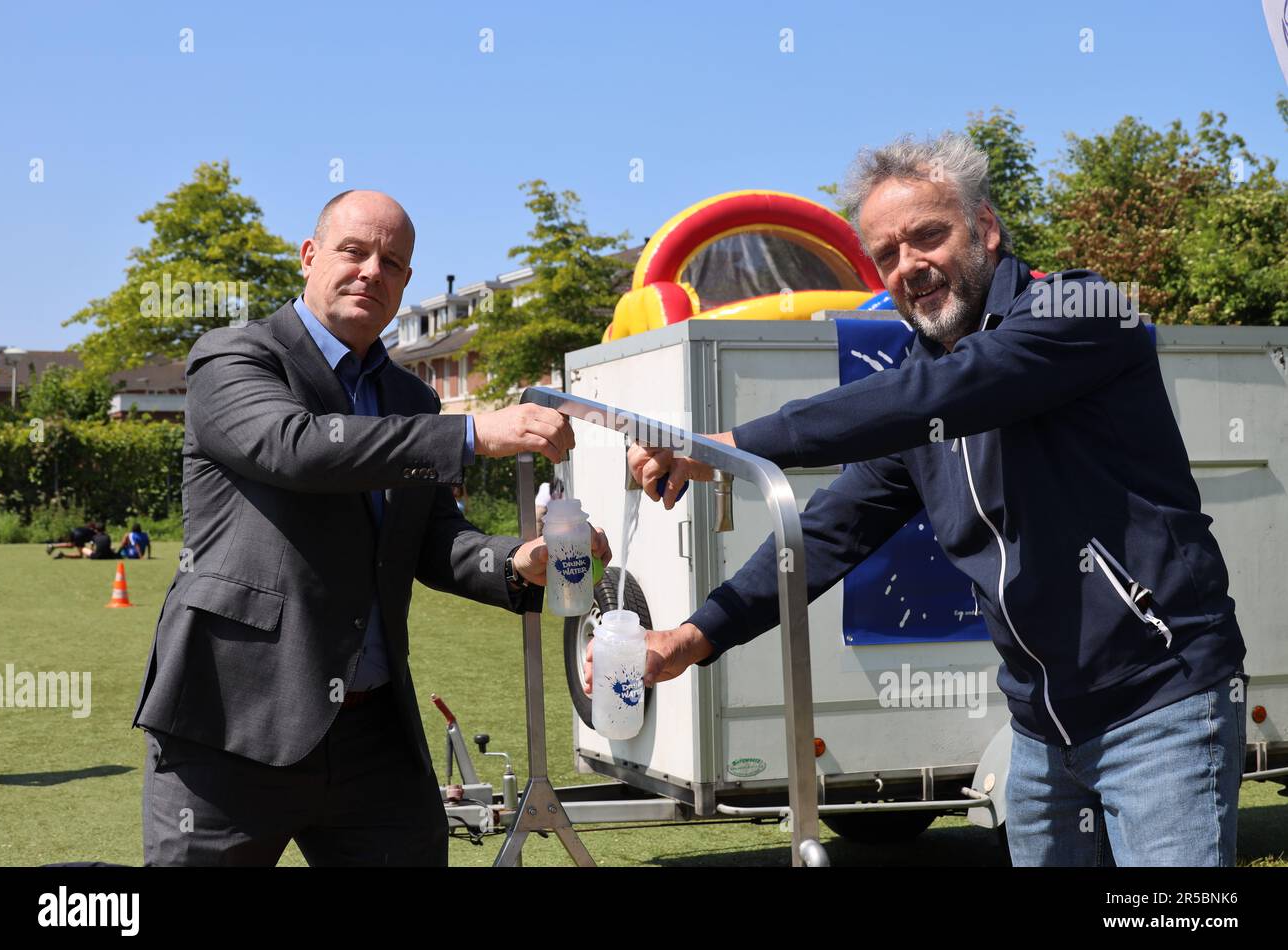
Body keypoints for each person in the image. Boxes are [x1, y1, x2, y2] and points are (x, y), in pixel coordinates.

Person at [605, 133, 1248, 867]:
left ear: (987, 228)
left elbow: (948, 391)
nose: (910, 265)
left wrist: (726, 444)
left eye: (929, 236)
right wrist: (692, 638)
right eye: (887, 253)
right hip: (1041, 730)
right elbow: (829, 530)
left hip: (1157, 703)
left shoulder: (1083, 306)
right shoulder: (924, 378)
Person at [133, 189, 610, 866]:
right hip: (230, 722)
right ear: (309, 256)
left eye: (391, 262)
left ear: (406, 282)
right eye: (353, 251)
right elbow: (296, 447)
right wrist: (470, 431)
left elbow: (434, 538)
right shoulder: (235, 357)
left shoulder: (412, 398)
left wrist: (516, 562)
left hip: (373, 736)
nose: (371, 272)